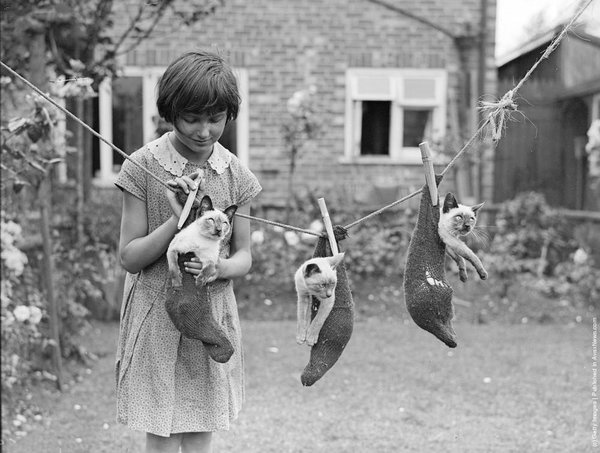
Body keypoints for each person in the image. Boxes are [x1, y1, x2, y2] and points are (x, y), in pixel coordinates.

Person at [114, 50, 261, 453]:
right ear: (169, 112)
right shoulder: (142, 166)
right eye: (192, 118)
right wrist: (177, 221)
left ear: (229, 114)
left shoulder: (236, 176)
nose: (203, 130)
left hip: (210, 314)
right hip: (156, 311)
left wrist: (221, 268)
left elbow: (244, 255)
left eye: (215, 118)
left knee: (200, 424)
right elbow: (129, 257)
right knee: (160, 428)